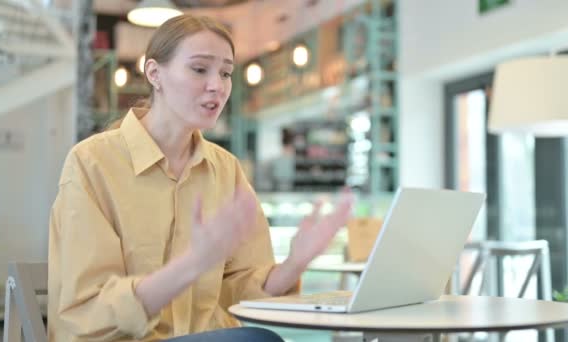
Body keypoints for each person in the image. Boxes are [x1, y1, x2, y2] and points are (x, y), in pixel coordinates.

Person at [47, 15, 353, 342]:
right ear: (154, 74)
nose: (217, 86)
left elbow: (240, 295)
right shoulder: (92, 162)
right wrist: (192, 264)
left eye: (225, 73)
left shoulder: (226, 169)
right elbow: (87, 313)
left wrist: (295, 263)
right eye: (199, 69)